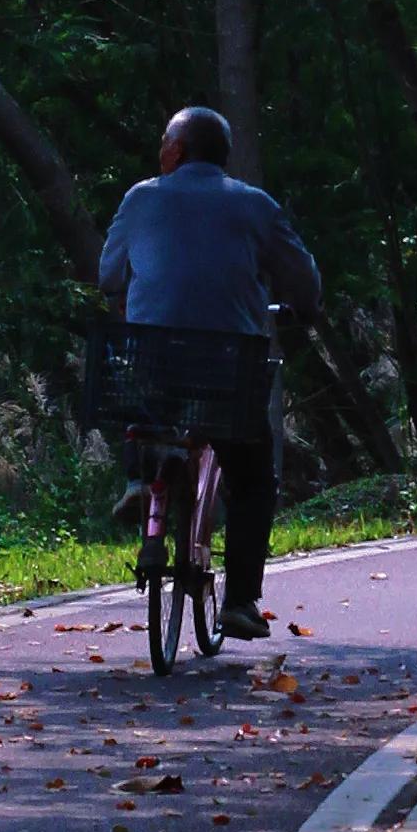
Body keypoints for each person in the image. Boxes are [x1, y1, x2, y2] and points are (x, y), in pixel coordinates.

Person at [98, 107, 321, 639]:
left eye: (162, 142)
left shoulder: (140, 198)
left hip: (158, 367)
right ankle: (240, 601)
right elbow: (304, 281)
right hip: (228, 371)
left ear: (175, 151)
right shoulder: (254, 206)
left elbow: (109, 276)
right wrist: (299, 308)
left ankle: (138, 475)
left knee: (140, 390)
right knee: (252, 479)